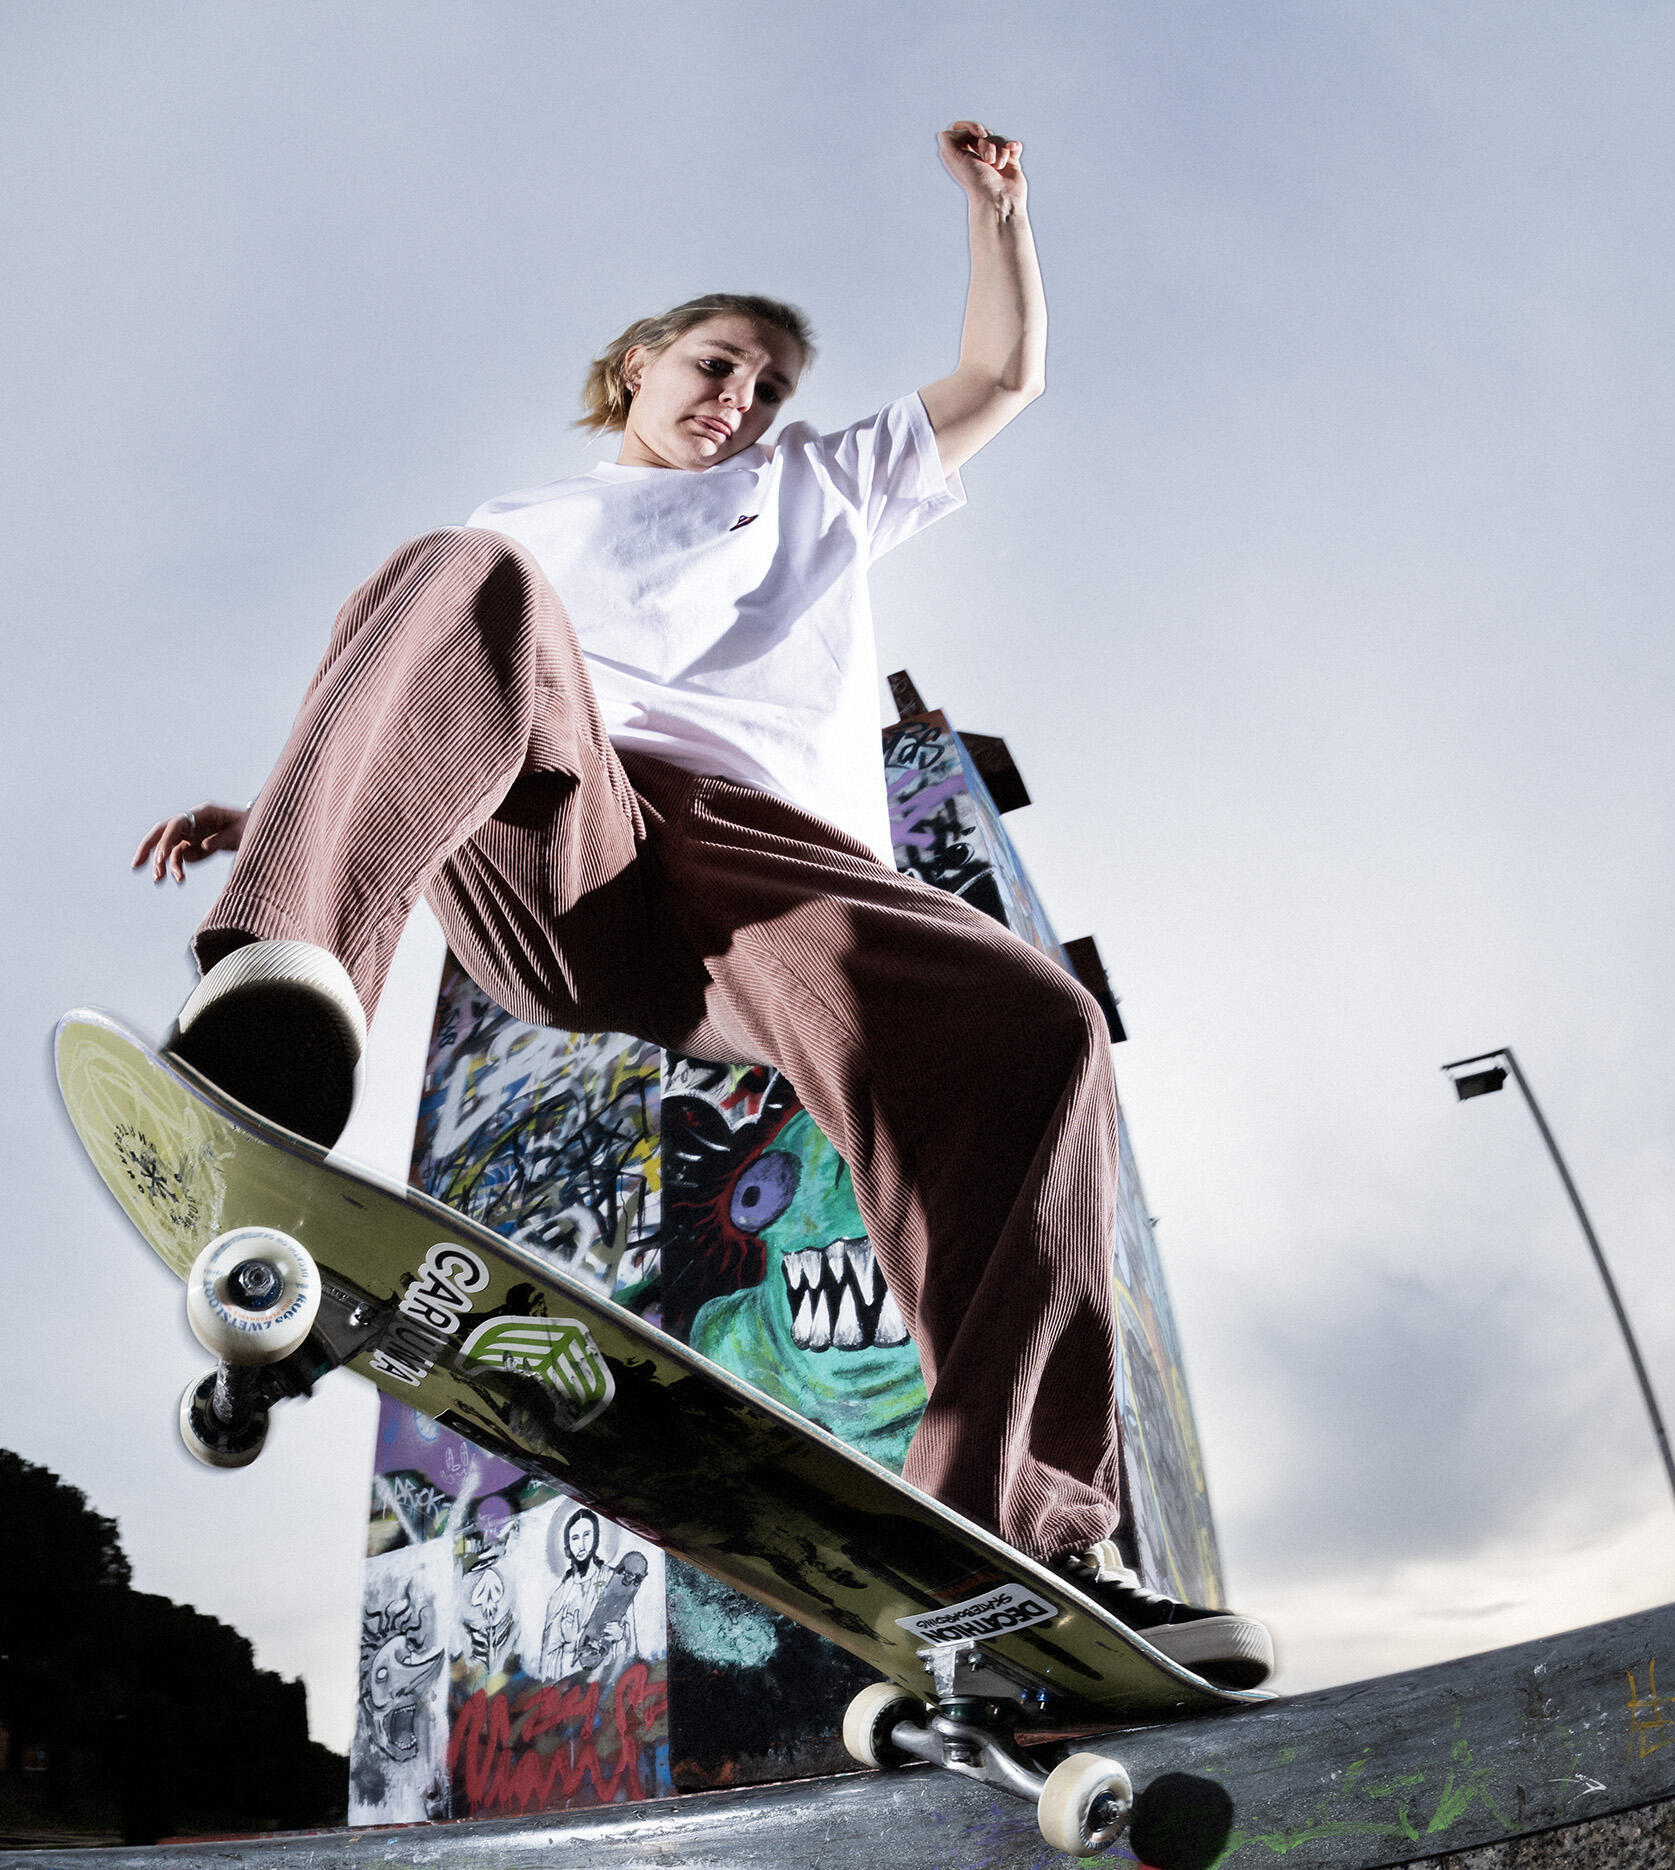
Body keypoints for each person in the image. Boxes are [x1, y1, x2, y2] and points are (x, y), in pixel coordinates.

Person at [131, 123, 1271, 1688]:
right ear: (640, 363)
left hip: (771, 882)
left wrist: (998, 217)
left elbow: (1003, 379)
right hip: (568, 841)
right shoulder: (527, 523)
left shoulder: (820, 490)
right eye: (716, 366)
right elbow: (423, 684)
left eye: (765, 388)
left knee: (1040, 1027)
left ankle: (1016, 1543)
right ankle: (286, 987)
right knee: (466, 574)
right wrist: (273, 821)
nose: (736, 403)